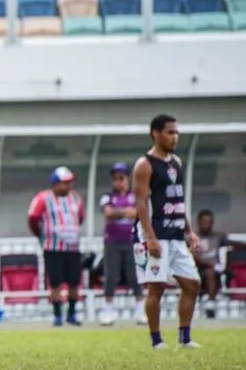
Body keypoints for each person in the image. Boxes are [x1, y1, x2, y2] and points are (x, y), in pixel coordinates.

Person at [131, 114, 202, 350]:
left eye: (176, 132)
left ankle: (184, 337)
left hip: (176, 234)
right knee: (156, 287)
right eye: (170, 132)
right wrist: (150, 237)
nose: (175, 137)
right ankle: (156, 340)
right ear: (156, 133)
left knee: (192, 284)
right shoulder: (145, 165)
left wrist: (189, 231)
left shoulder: (176, 162)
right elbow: (141, 203)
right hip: (155, 234)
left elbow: (179, 200)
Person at [28, 166, 85, 327]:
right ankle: (58, 315)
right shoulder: (43, 199)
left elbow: (80, 217)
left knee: (74, 281)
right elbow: (33, 218)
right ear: (55, 184)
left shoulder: (76, 199)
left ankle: (72, 314)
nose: (68, 186)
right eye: (64, 183)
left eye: (69, 183)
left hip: (73, 248)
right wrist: (42, 234)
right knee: (55, 282)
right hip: (53, 248)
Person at [98, 162, 146, 326]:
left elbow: (137, 213)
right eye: (115, 178)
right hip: (112, 242)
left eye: (121, 178)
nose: (118, 181)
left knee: (135, 276)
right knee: (111, 276)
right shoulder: (107, 197)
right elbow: (108, 214)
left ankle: (140, 311)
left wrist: (121, 212)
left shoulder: (136, 196)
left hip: (132, 242)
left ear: (127, 179)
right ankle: (108, 311)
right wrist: (125, 211)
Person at [193, 209, 228, 319]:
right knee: (206, 272)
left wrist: (224, 266)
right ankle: (194, 306)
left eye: (209, 222)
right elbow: (194, 257)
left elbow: (226, 251)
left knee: (211, 273)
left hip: (215, 271)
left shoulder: (219, 236)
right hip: (196, 268)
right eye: (204, 221)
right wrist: (212, 265)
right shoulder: (193, 237)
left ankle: (211, 305)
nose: (207, 224)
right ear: (198, 222)